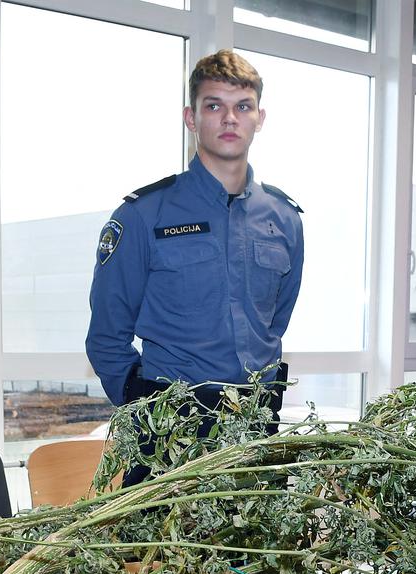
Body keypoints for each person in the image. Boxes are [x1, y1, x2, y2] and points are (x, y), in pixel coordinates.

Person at [86, 50, 304, 483]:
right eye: (214, 106)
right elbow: (106, 338)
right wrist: (148, 408)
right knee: (164, 552)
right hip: (172, 437)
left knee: (256, 551)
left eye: (242, 106)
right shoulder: (143, 215)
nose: (229, 119)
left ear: (260, 118)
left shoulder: (284, 219)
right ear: (191, 118)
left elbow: (273, 323)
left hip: (256, 434)